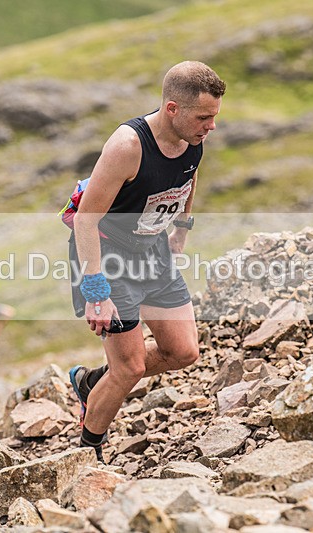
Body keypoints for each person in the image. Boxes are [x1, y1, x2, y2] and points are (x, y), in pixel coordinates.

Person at [66, 61, 225, 461]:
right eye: (204, 117)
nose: (211, 127)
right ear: (173, 108)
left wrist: (181, 233)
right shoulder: (127, 146)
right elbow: (86, 219)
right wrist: (97, 290)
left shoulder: (193, 138)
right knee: (130, 368)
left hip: (152, 251)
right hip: (107, 256)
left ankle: (91, 383)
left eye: (214, 117)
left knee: (185, 351)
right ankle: (87, 456)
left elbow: (187, 181)